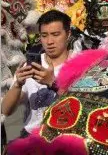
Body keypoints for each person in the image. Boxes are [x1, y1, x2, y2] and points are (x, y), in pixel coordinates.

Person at [1, 10, 76, 139]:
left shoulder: (80, 63)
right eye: (44, 35)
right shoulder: (31, 65)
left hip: (67, 140)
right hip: (32, 139)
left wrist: (53, 83)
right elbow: (6, 110)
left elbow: (83, 105)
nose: (49, 41)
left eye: (55, 34)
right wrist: (18, 85)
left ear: (68, 34)